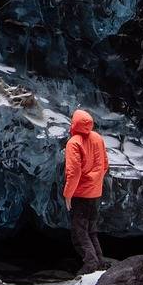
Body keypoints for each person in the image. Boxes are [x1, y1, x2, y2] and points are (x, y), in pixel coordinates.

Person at [63, 108, 107, 274]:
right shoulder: (97, 138)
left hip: (80, 194)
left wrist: (68, 195)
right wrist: (95, 183)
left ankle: (90, 263)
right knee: (91, 230)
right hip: (95, 192)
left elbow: (73, 173)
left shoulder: (74, 142)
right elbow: (105, 164)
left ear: (74, 123)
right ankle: (100, 261)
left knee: (79, 232)